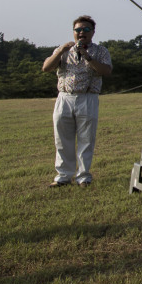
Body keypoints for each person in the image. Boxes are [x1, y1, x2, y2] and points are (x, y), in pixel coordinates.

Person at [41, 15, 112, 187]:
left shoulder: (100, 51)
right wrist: (60, 51)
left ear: (93, 32)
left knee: (86, 139)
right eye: (78, 30)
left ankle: (83, 176)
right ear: (73, 32)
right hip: (64, 97)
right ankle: (63, 176)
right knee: (62, 139)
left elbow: (106, 70)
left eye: (86, 29)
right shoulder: (63, 50)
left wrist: (87, 57)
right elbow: (46, 67)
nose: (82, 33)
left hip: (87, 97)